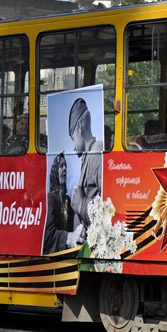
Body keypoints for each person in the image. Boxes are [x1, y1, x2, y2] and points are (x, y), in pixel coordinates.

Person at [66, 98, 103, 246]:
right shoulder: (89, 155)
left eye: (73, 138)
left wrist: (81, 204)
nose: (73, 146)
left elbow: (109, 205)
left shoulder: (97, 154)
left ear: (79, 127)